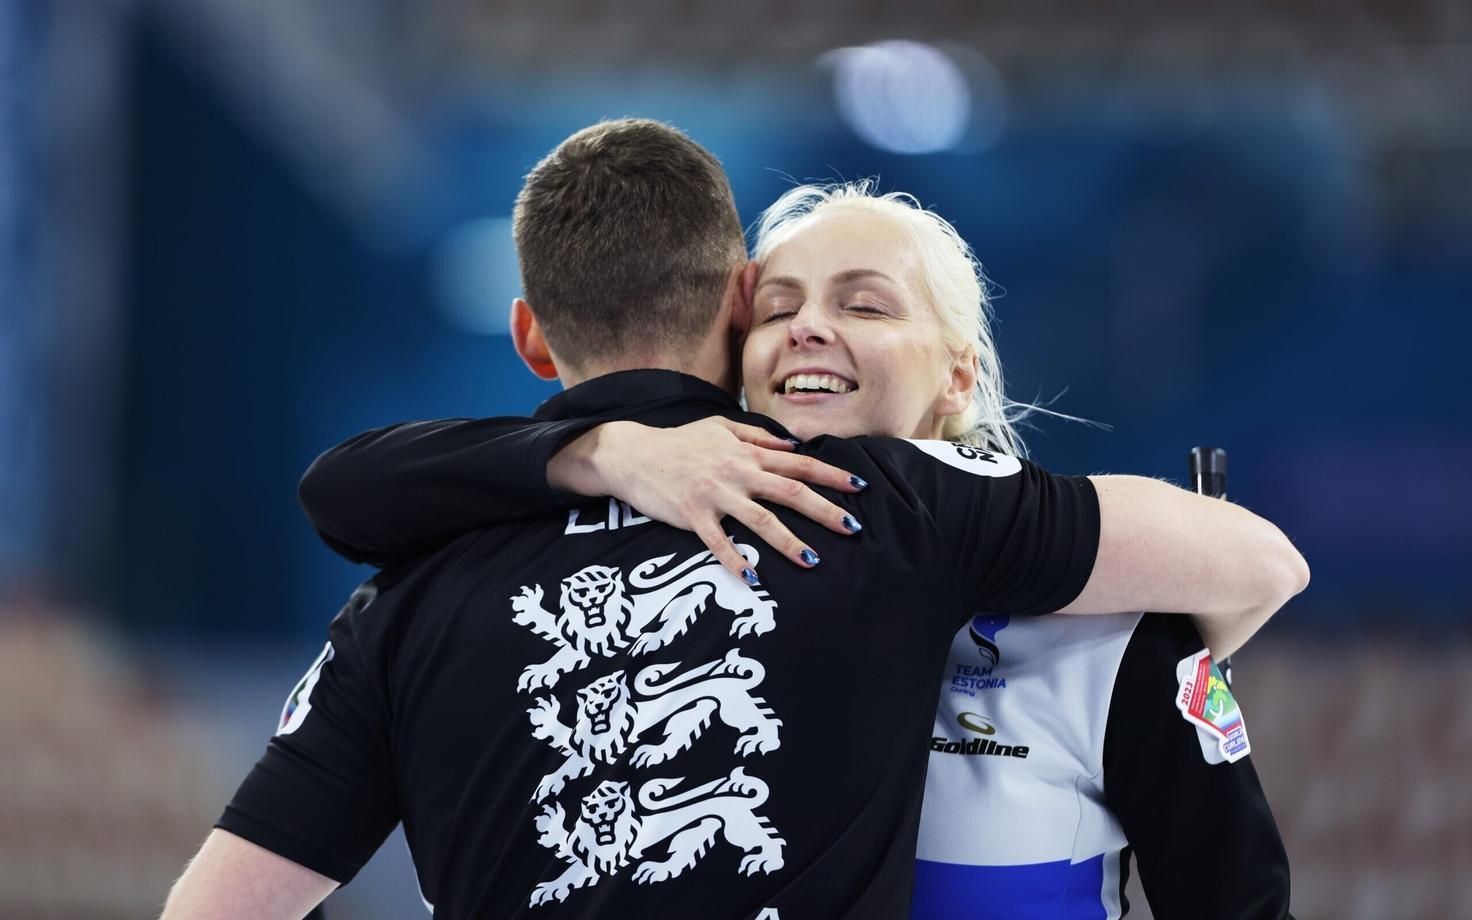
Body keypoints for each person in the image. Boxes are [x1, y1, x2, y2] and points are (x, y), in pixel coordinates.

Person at [163, 120, 1307, 920]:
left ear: (958, 374)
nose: (810, 330)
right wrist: (601, 450)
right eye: (783, 304)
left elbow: (1261, 566)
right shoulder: (883, 513)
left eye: (863, 303)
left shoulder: (1078, 614)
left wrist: (1159, 646)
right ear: (733, 325)